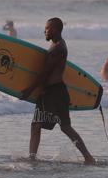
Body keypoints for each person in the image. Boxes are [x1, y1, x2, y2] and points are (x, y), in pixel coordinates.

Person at [20, 17, 95, 164]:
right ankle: (88, 157)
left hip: (51, 93)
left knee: (36, 125)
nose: (44, 31)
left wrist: (29, 90)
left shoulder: (57, 48)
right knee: (65, 127)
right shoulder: (58, 45)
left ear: (54, 29)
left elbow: (45, 74)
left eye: (47, 28)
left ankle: (32, 158)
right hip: (58, 91)